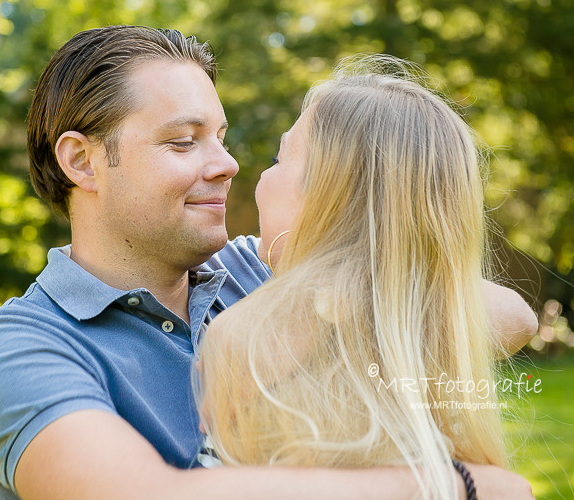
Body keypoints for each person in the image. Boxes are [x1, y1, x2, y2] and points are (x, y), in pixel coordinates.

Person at [0, 26, 537, 500]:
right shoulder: (18, 346)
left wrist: (289, 321)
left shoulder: (270, 272)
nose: (227, 164)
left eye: (221, 136)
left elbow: (510, 315)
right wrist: (451, 486)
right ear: (82, 162)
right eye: (183, 141)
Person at [196, 57, 526, 499]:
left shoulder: (237, 340)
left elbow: (519, 317)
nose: (251, 174)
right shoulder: (422, 323)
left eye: (279, 159)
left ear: (327, 196)